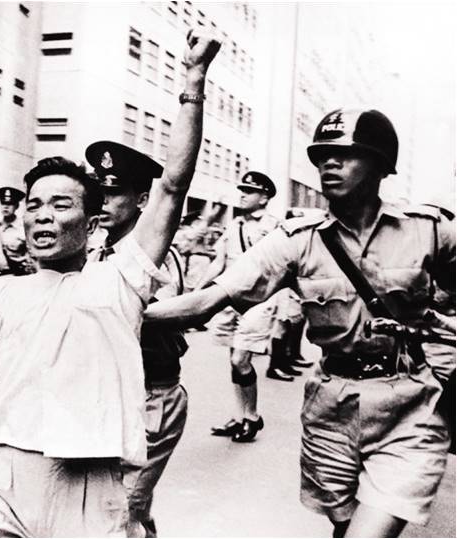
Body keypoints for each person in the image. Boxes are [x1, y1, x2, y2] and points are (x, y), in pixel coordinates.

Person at [0, 30, 220, 537]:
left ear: (92, 222)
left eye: (61, 206)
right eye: (34, 205)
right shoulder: (2, 291)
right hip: (4, 480)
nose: (42, 217)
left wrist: (193, 81)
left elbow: (172, 185)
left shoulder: (121, 278)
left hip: (90, 482)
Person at [145, 108, 454, 538]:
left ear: (382, 165)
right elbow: (209, 300)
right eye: (322, 155)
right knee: (343, 523)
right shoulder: (297, 241)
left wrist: (441, 346)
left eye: (344, 154)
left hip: (411, 407)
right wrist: (121, 312)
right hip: (331, 408)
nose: (329, 164)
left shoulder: (430, 231)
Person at [86, 140, 188, 537]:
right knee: (124, 505)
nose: (104, 201)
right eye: (100, 193)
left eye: (114, 193)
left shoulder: (156, 256)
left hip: (151, 397)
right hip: (112, 395)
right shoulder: (99, 252)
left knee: (122, 509)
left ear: (143, 199)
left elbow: (165, 312)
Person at [195, 171, 282, 442]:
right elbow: (219, 262)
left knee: (240, 359)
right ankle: (239, 415)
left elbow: (281, 268)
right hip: (230, 298)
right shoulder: (234, 225)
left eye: (249, 191)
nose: (242, 194)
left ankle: (253, 417)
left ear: (264, 197)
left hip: (259, 300)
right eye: (241, 189)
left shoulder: (274, 227)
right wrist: (197, 291)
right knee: (233, 361)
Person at [0, 186, 34, 385]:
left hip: (16, 279)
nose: (5, 207)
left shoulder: (23, 228)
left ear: (16, 206)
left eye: (9, 204)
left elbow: (31, 255)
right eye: (3, 203)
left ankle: (3, 369)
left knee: (15, 325)